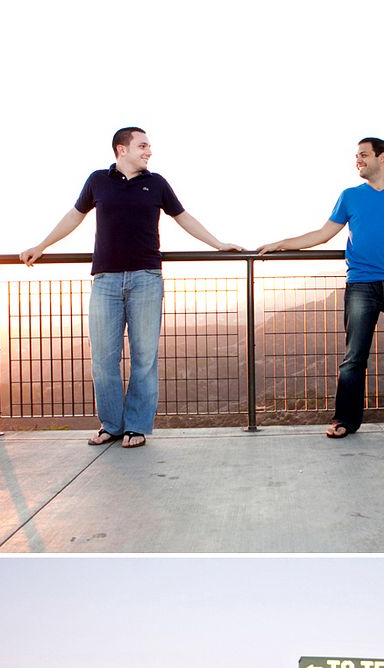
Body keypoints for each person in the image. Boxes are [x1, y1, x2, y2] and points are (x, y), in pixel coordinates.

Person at [20, 127, 242, 448]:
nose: (149, 151)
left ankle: (136, 426)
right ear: (121, 149)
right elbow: (74, 216)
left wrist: (218, 244)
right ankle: (111, 424)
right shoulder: (98, 180)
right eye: (143, 146)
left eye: (149, 146)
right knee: (103, 359)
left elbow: (184, 217)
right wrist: (41, 246)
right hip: (106, 281)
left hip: (146, 280)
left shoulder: (157, 183)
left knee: (144, 358)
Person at [259, 137, 384, 439]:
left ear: (381, 158)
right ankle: (344, 421)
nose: (358, 160)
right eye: (356, 156)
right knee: (354, 358)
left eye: (363, 154)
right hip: (361, 285)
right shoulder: (349, 196)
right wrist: (281, 244)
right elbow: (323, 234)